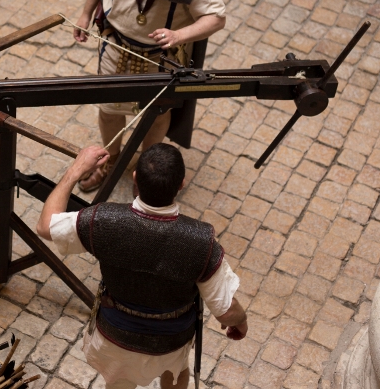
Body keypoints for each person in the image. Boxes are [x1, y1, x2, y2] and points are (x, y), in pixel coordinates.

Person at [37, 143, 248, 389]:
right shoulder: (202, 242)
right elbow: (226, 311)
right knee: (177, 372)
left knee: (119, 383)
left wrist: (75, 170)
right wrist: (241, 321)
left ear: (135, 178)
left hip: (115, 337)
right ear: (181, 184)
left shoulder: (102, 220)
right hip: (171, 342)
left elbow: (45, 226)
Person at [73, 0, 226, 192]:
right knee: (109, 109)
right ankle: (109, 160)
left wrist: (179, 35)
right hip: (117, 47)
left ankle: (146, 170)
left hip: (161, 58)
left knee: (156, 116)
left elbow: (216, 18)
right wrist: (85, 14)